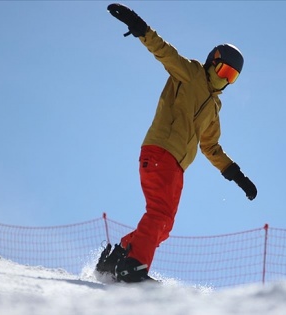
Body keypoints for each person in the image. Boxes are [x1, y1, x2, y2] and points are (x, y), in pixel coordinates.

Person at [96, 3, 258, 283]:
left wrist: (237, 175)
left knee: (164, 225)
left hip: (175, 165)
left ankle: (122, 255)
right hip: (161, 151)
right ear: (213, 62)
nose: (225, 80)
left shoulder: (214, 109)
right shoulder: (192, 73)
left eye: (231, 77)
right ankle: (133, 266)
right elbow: (165, 53)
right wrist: (140, 27)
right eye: (223, 71)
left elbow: (211, 147)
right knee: (159, 214)